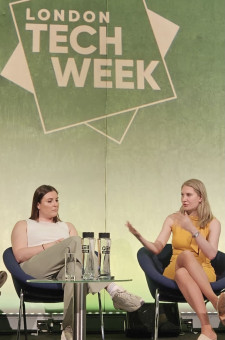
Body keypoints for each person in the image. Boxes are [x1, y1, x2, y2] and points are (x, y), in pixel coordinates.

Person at [11, 185, 143, 340]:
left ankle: (69, 331)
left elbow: (84, 255)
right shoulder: (24, 224)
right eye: (50, 201)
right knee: (75, 241)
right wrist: (52, 245)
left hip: (62, 271)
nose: (55, 204)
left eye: (57, 200)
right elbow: (20, 255)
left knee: (75, 270)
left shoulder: (67, 226)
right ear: (38, 205)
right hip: (34, 269)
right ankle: (112, 288)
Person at [126, 179, 225, 340]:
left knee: (182, 274)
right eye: (182, 195)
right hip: (173, 268)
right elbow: (157, 247)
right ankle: (215, 300)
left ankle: (207, 329)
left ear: (200, 197)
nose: (183, 199)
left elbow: (212, 254)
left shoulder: (213, 223)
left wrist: (192, 229)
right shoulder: (173, 218)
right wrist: (140, 237)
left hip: (202, 271)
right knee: (185, 255)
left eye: (188, 195)